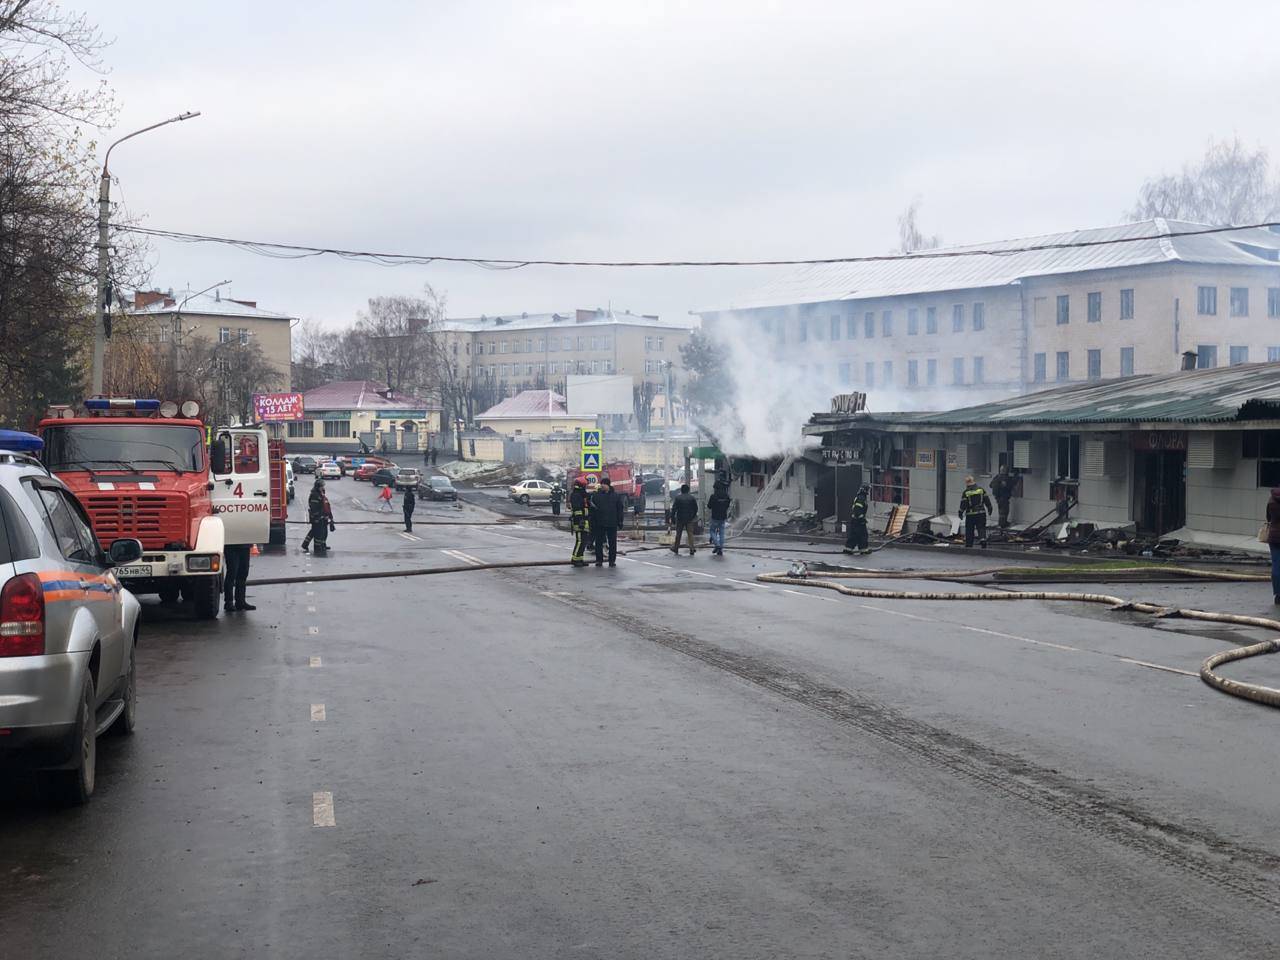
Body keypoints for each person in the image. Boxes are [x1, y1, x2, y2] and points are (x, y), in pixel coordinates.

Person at [591, 476, 625, 567]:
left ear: (608, 485)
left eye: (604, 484)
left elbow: (620, 510)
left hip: (612, 523)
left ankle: (612, 561)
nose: (602, 486)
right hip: (600, 523)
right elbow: (593, 510)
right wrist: (593, 522)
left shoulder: (615, 496)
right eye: (601, 484)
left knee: (612, 543)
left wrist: (620, 521)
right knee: (598, 543)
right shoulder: (596, 496)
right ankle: (599, 560)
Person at [959, 475, 994, 549]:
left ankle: (969, 544)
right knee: (981, 527)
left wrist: (960, 513)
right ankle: (983, 539)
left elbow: (963, 504)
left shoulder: (966, 492)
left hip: (970, 514)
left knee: (969, 529)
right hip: (981, 513)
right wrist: (990, 508)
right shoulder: (981, 490)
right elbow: (987, 500)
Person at [301, 478, 334, 555]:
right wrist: (318, 516)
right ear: (318, 486)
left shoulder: (321, 494)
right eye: (322, 486)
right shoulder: (315, 495)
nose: (323, 487)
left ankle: (321, 544)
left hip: (323, 517)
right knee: (317, 532)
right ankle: (317, 547)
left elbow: (326, 505)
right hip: (317, 518)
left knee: (323, 532)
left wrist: (329, 516)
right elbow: (314, 508)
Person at [223, 543, 255, 613]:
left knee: (243, 573)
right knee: (232, 572)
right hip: (231, 545)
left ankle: (240, 602)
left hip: (245, 545)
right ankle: (229, 602)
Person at [670, 483, 699, 556]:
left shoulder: (678, 498)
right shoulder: (692, 498)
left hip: (680, 518)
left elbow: (674, 509)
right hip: (689, 518)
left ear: (681, 490)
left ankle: (676, 548)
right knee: (690, 534)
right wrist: (693, 516)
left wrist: (672, 518)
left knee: (678, 534)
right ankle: (692, 548)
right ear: (688, 490)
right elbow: (696, 508)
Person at [843, 484, 870, 555]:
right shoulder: (861, 498)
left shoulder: (860, 497)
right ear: (865, 490)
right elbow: (857, 510)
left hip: (856, 520)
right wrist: (861, 519)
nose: (868, 491)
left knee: (855, 535)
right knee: (863, 535)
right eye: (868, 489)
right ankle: (863, 550)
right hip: (858, 520)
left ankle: (848, 549)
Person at [569, 476, 590, 567]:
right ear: (581, 485)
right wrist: (580, 520)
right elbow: (577, 509)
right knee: (580, 541)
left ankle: (580, 559)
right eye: (585, 485)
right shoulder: (576, 495)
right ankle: (575, 559)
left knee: (584, 541)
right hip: (579, 521)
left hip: (584, 520)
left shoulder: (581, 494)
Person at [990, 465, 1017, 529]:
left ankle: (1002, 523)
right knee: (1004, 511)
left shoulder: (996, 477)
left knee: (1001, 511)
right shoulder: (1006, 478)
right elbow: (1012, 484)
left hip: (998, 498)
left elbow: (990, 485)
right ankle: (1003, 524)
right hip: (1004, 497)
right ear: (1006, 471)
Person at [707, 486, 731, 555]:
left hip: (715, 517)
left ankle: (717, 545)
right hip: (723, 517)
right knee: (722, 532)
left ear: (716, 489)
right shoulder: (726, 496)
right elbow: (727, 505)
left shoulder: (713, 496)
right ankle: (720, 548)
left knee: (712, 531)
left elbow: (709, 506)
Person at [1266, 488, 1280, 604]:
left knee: (1276, 565)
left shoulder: (1272, 500)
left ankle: (1278, 594)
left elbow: (1268, 518)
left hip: (1274, 537)